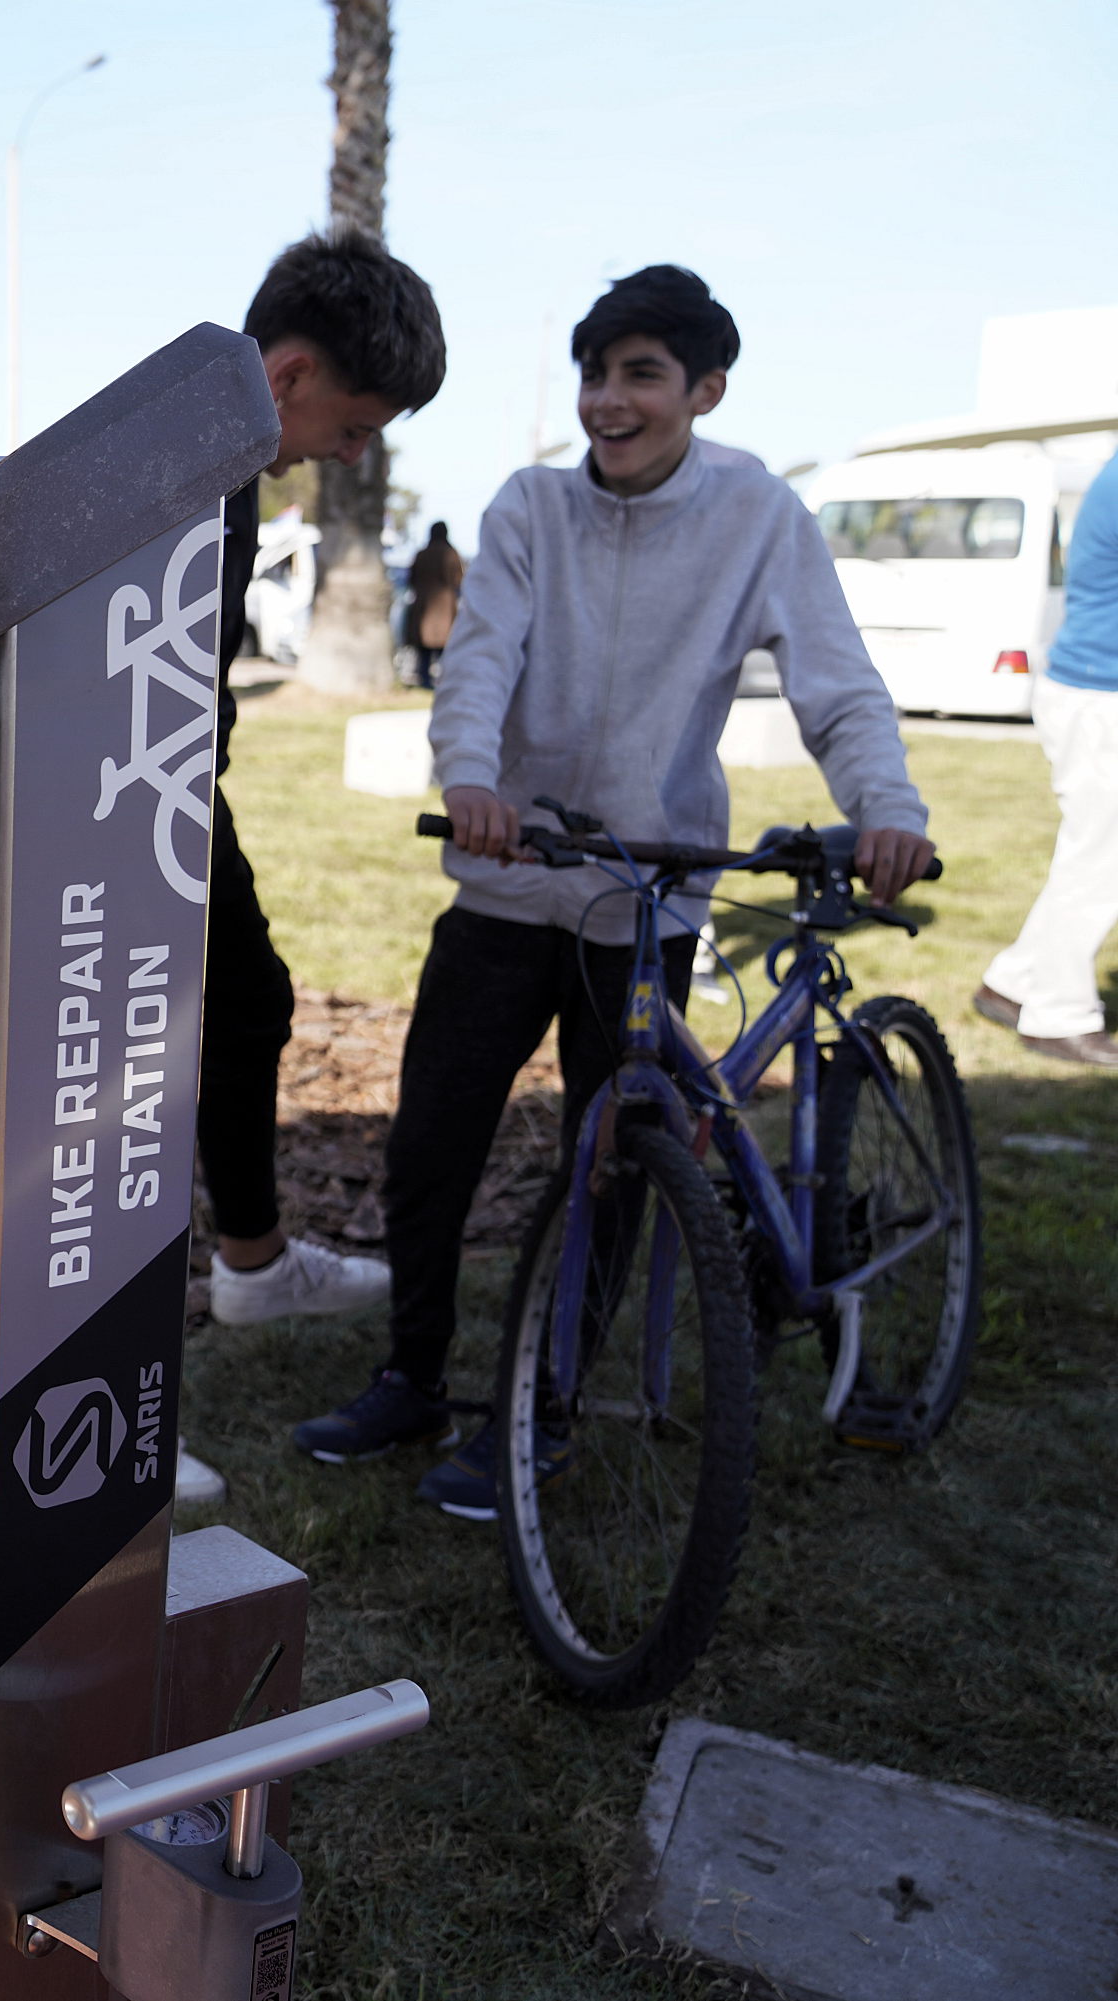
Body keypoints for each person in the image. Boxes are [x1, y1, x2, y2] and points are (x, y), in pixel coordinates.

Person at [294, 266, 936, 1515]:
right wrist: (472, 778)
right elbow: (481, 659)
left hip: (653, 892)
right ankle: (413, 1376)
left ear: (705, 389)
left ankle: (548, 1413)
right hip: (512, 874)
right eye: (597, 374)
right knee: (432, 1143)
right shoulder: (531, 507)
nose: (609, 400)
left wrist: (890, 808)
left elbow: (836, 680)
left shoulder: (758, 516)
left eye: (642, 374)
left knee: (614, 1162)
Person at [200, 233, 448, 1332]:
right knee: (213, 1019)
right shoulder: (190, 466)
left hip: (167, 796)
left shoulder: (216, 452)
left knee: (245, 1005)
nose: (351, 457)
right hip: (118, 807)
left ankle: (250, 1265)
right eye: (354, 427)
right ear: (291, 375)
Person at [974, 450, 1118, 1067]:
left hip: (1091, 689)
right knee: (1101, 860)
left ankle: (1013, 982)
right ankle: (1058, 1015)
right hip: (1100, 693)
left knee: (1093, 854)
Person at [406, 521, 463, 689]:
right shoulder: (452, 554)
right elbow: (458, 579)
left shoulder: (422, 554)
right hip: (445, 608)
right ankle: (444, 681)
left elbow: (412, 579)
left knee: (423, 649)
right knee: (444, 649)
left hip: (422, 605)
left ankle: (424, 680)